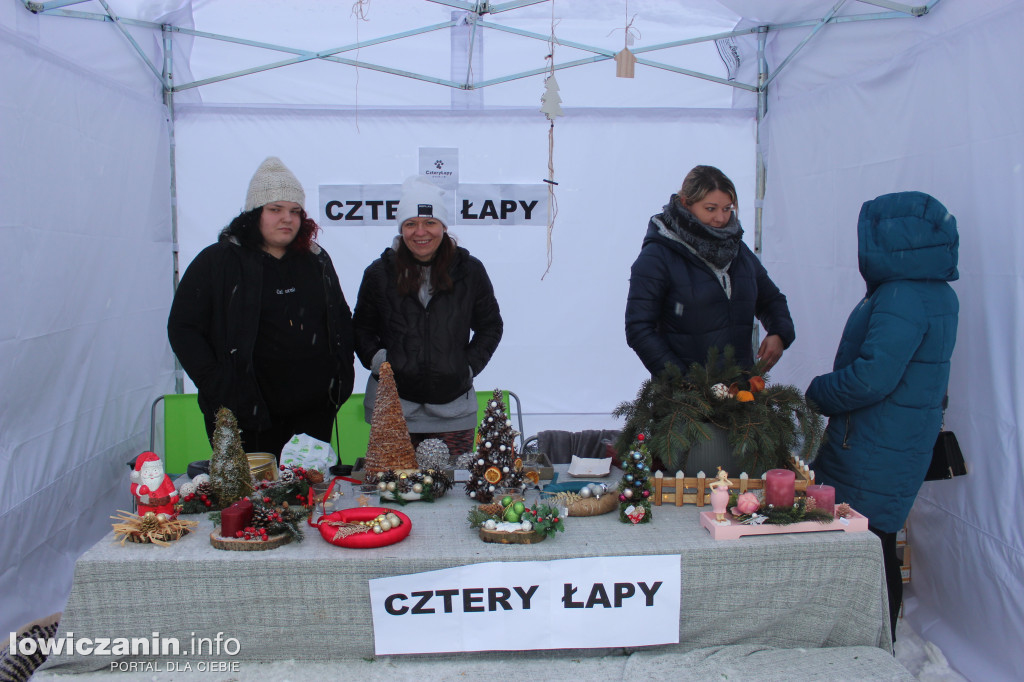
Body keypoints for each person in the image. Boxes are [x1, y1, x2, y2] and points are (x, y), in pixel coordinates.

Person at [806, 191, 959, 643]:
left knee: (866, 546)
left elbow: (873, 378)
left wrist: (818, 392)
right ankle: (875, 644)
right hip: (899, 438)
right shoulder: (936, 292)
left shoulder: (900, 295)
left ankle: (870, 649)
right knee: (878, 544)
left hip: (873, 443)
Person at [167, 157, 355, 458]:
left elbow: (341, 319)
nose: (287, 219)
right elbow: (183, 328)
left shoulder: (316, 260)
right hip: (243, 415)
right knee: (249, 503)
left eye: (295, 211)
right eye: (275, 209)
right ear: (254, 213)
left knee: (308, 497)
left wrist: (339, 380)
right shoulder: (217, 261)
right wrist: (217, 384)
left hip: (312, 416)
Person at [353, 176, 503, 461]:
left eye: (430, 222)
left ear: (443, 227)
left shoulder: (470, 271)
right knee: (394, 491)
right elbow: (361, 328)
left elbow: (490, 326)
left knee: (454, 492)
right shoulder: (379, 273)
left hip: (453, 409)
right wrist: (379, 362)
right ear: (401, 228)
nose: (420, 232)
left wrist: (466, 366)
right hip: (394, 408)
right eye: (411, 224)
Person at [625, 165, 794, 375]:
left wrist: (779, 333)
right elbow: (639, 329)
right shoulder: (657, 257)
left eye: (727, 208)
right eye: (711, 209)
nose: (721, 218)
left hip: (739, 394)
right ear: (686, 204)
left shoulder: (738, 252)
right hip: (685, 401)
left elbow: (772, 299)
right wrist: (683, 383)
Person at [131, 452, 179, 517]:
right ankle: (147, 520)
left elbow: (171, 489)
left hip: (165, 509)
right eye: (147, 471)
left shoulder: (164, 478)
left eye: (155, 470)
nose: (151, 474)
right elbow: (133, 488)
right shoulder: (140, 480)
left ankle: (164, 517)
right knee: (146, 517)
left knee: (164, 516)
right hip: (145, 510)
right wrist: (139, 490)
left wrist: (173, 496)